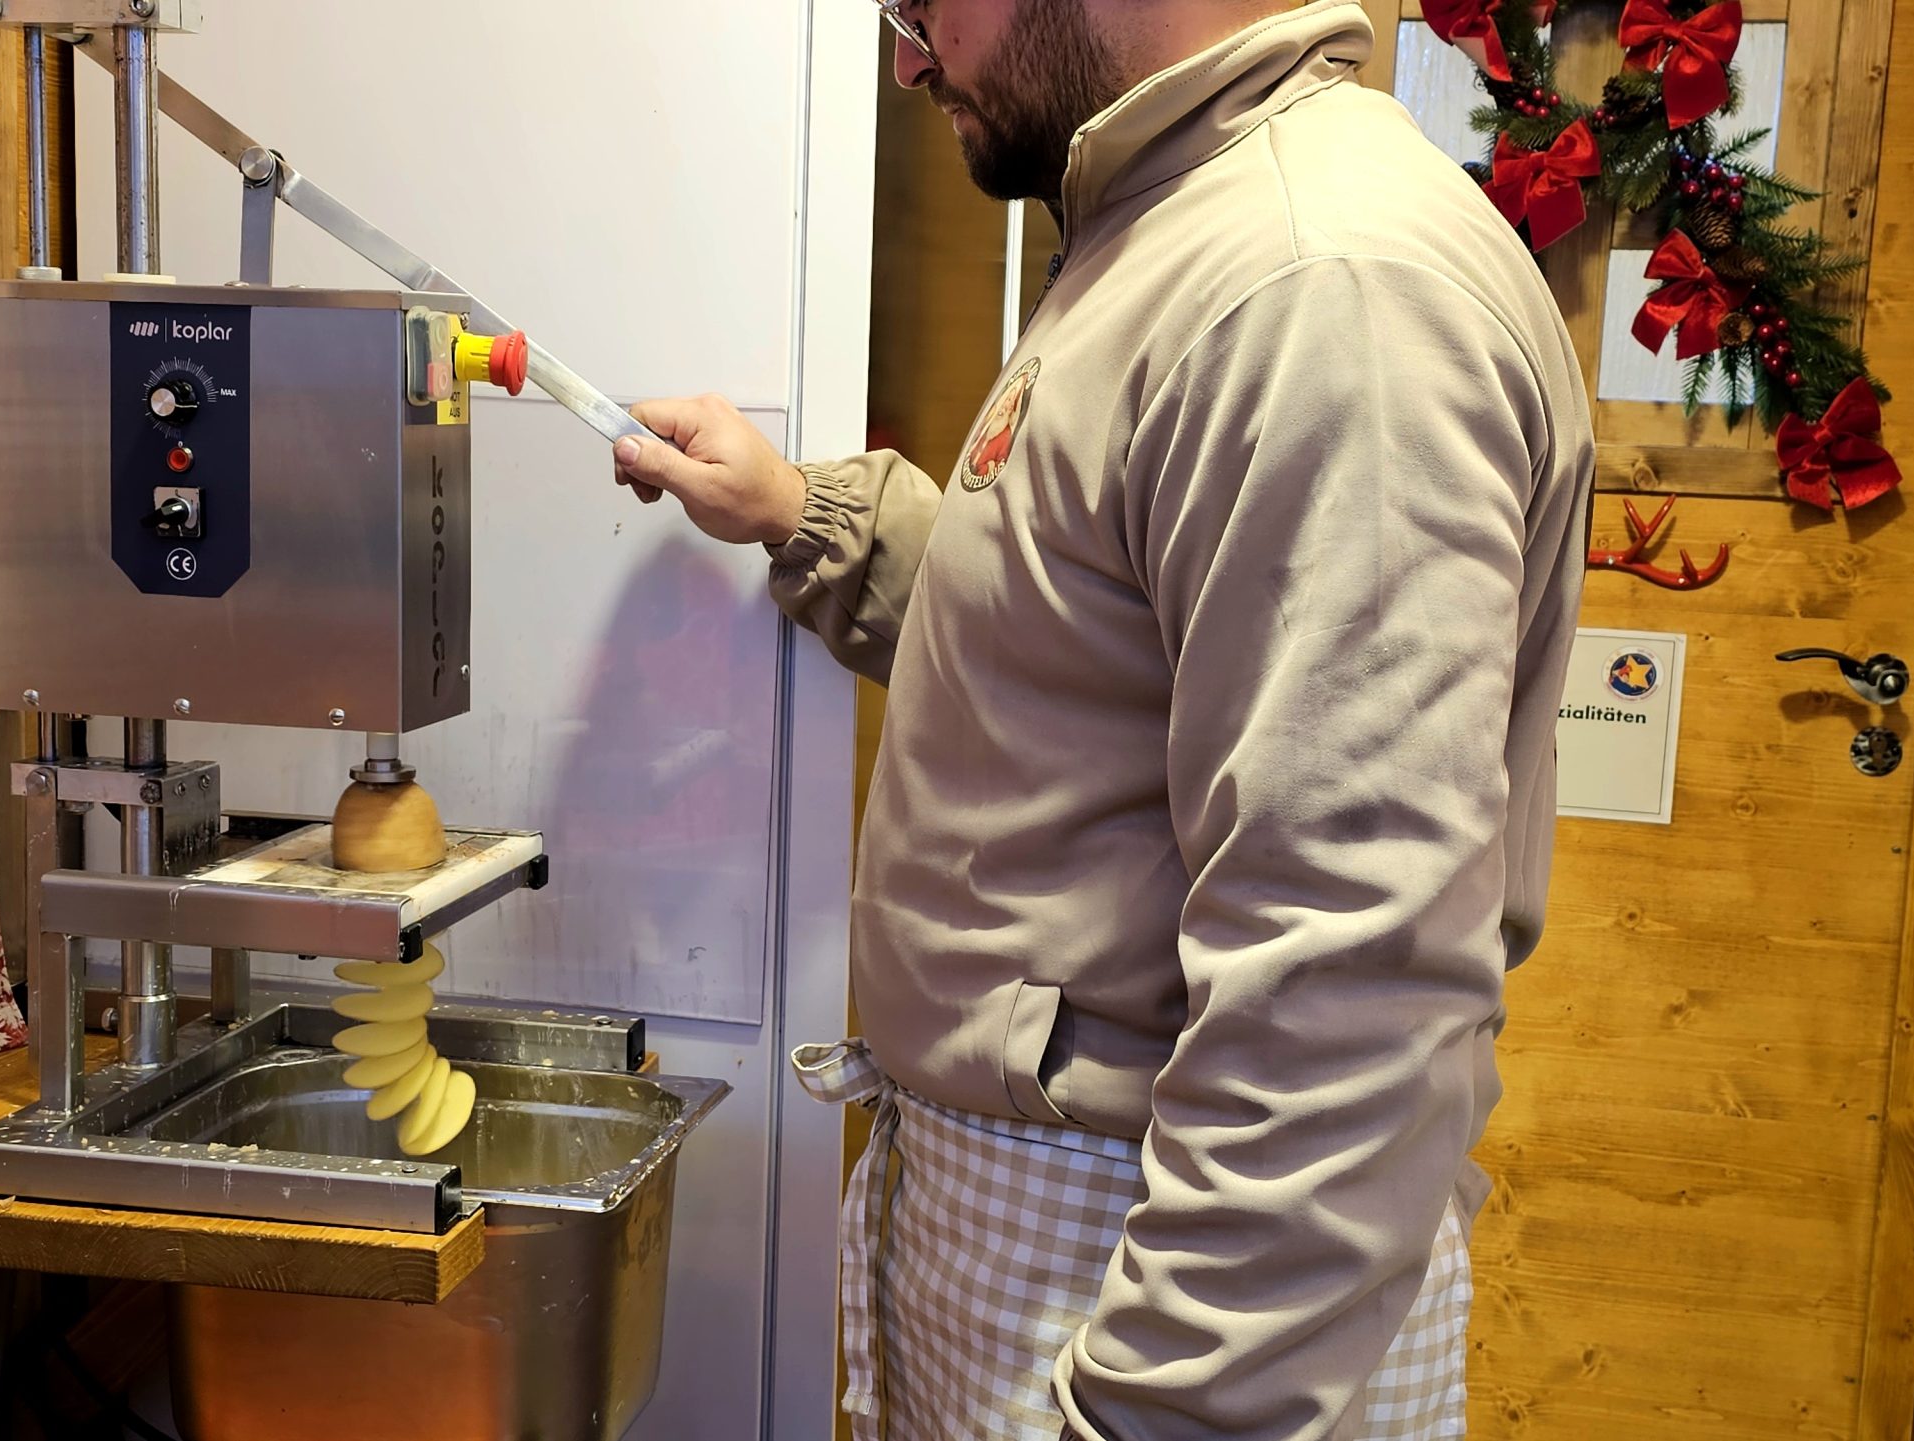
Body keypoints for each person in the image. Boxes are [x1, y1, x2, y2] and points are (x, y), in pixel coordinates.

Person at [613, 0, 1593, 1436]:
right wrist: (805, 516)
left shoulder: (1319, 286)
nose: (906, 56)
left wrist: (1163, 1414)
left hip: (1145, 1274)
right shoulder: (1179, 231)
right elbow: (1096, 645)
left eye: (919, 4)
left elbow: (1351, 995)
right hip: (1069, 1228)